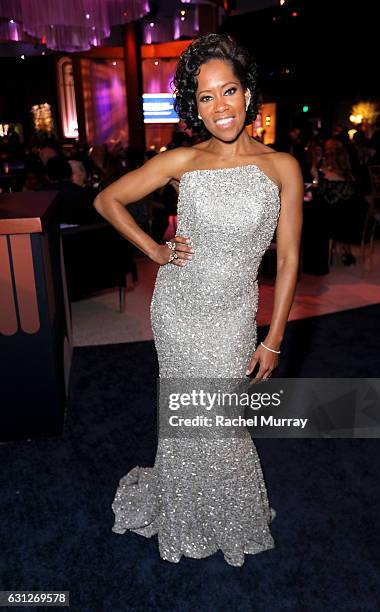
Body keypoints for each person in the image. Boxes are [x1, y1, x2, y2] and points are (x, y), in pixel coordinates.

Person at [94, 33, 303, 566]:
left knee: (220, 419)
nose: (220, 107)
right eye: (206, 97)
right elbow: (108, 199)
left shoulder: (282, 167)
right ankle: (187, 510)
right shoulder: (183, 159)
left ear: (247, 93)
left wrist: (274, 339)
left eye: (228, 91)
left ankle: (227, 512)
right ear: (195, 107)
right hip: (179, 310)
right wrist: (155, 251)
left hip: (234, 314)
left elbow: (287, 260)